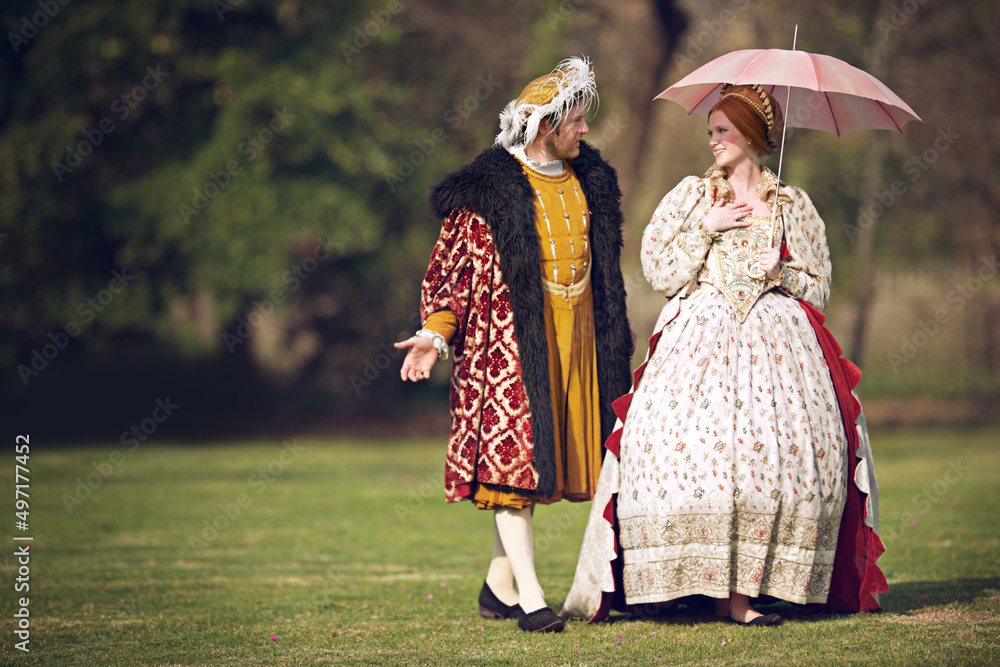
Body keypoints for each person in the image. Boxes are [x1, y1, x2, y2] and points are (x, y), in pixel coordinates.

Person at [561, 83, 887, 626]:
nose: (713, 140)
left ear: (754, 136)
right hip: (701, 342)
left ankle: (753, 588)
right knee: (692, 455)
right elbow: (660, 272)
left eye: (723, 131)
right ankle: (708, 590)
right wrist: (704, 230)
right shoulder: (692, 197)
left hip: (779, 346)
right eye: (710, 131)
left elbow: (821, 286)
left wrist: (779, 269)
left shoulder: (793, 205)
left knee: (779, 458)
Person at [395, 57, 634, 633]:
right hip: (508, 349)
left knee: (550, 468)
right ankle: (530, 600)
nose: (584, 131)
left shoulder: (590, 179)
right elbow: (451, 273)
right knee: (514, 469)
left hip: (579, 341)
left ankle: (498, 586)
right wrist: (434, 333)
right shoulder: (490, 189)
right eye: (575, 121)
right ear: (546, 126)